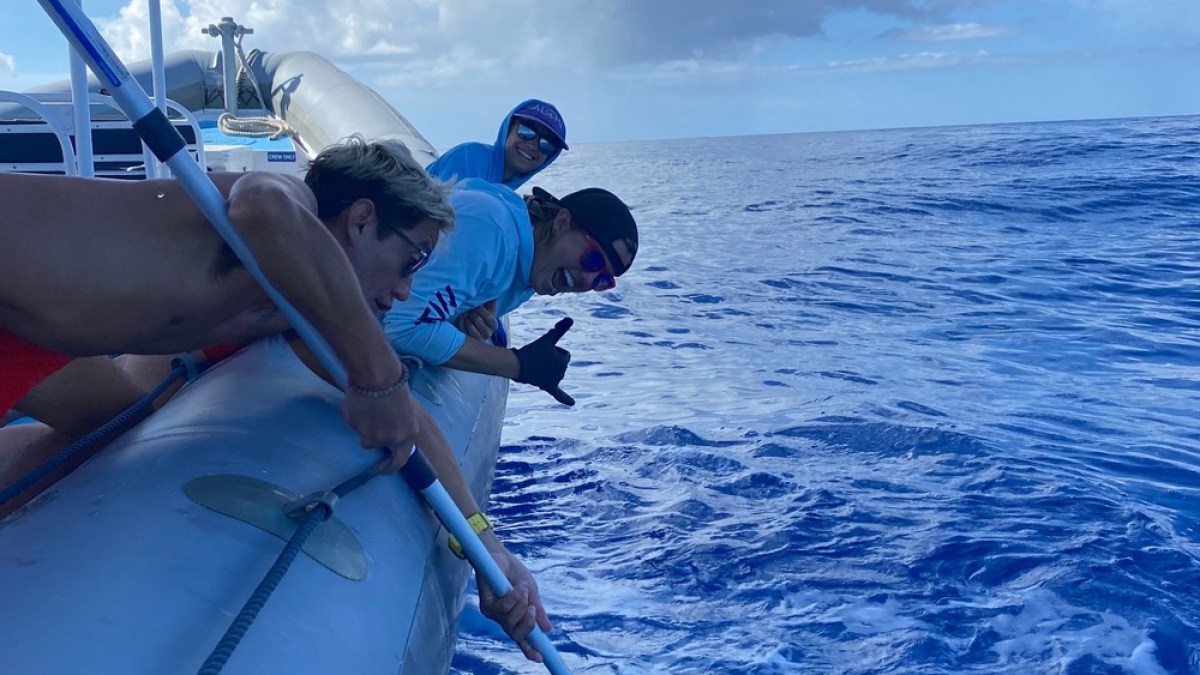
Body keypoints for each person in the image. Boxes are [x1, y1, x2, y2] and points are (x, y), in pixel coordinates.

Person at [383, 179, 638, 405]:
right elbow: (401, 327)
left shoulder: (532, 269)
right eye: (593, 259)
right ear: (561, 223)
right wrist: (518, 365)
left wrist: (461, 324)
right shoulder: (491, 229)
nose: (588, 279)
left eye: (603, 279)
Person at [425, 99, 568, 190]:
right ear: (508, 129)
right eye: (526, 131)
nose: (533, 146)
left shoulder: (506, 190)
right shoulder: (470, 157)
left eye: (547, 144)